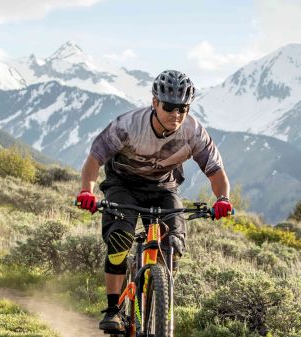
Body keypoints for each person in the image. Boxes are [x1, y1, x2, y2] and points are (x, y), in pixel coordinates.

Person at [76, 69, 233, 331]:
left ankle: (160, 302)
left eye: (183, 107)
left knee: (173, 243)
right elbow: (95, 159)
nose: (177, 114)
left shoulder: (193, 131)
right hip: (122, 184)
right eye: (170, 107)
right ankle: (114, 309)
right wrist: (86, 192)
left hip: (163, 188)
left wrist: (223, 198)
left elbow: (216, 171)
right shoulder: (127, 126)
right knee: (120, 238)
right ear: (155, 102)